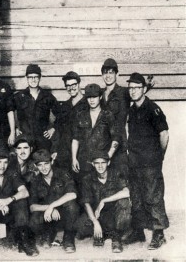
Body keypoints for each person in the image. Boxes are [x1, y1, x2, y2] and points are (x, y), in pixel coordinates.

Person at [123, 72, 169, 250]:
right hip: (134, 162)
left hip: (150, 163)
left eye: (136, 88)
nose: (133, 91)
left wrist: (159, 156)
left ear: (143, 89)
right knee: (137, 197)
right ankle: (138, 231)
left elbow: (164, 135)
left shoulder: (153, 109)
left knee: (153, 197)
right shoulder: (132, 109)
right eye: (131, 88)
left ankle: (159, 234)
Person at [74, 151, 131, 253]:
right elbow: (86, 202)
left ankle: (116, 237)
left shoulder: (116, 173)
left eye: (103, 162)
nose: (100, 166)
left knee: (124, 203)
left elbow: (127, 192)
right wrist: (95, 222)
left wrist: (104, 201)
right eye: (97, 163)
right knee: (80, 226)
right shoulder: (87, 179)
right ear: (93, 164)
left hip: (114, 214)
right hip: (97, 214)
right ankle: (104, 233)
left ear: (108, 163)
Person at [29, 149, 79, 253]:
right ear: (36, 166)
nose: (43, 168)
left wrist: (52, 206)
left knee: (72, 206)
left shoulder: (62, 173)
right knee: (33, 221)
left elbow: (72, 194)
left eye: (46, 163)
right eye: (40, 165)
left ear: (51, 162)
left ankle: (68, 238)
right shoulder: (35, 180)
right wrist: (49, 209)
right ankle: (49, 232)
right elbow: (32, 206)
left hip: (64, 215)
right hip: (49, 216)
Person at [71, 84, 120, 188]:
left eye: (94, 97)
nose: (91, 100)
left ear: (100, 97)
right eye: (89, 97)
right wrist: (74, 158)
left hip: (101, 163)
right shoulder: (80, 115)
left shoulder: (108, 115)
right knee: (84, 192)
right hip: (84, 162)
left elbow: (116, 139)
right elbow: (76, 139)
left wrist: (108, 156)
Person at [14, 64, 57, 151]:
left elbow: (61, 114)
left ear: (40, 78)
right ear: (26, 78)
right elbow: (8, 113)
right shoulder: (19, 97)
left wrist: (53, 128)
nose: (33, 80)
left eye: (36, 77)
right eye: (30, 77)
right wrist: (15, 128)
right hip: (25, 141)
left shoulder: (47, 97)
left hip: (42, 141)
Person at [100, 58, 130, 176]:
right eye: (105, 72)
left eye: (111, 72)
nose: (108, 76)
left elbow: (139, 92)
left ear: (117, 74)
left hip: (119, 144)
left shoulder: (124, 92)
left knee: (120, 177)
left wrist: (147, 84)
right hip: (102, 143)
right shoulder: (99, 93)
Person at [52, 71, 88, 170]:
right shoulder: (64, 106)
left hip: (83, 151)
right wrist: (55, 149)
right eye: (68, 86)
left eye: (73, 84)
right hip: (65, 151)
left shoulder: (88, 104)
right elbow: (58, 129)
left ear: (79, 84)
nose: (71, 88)